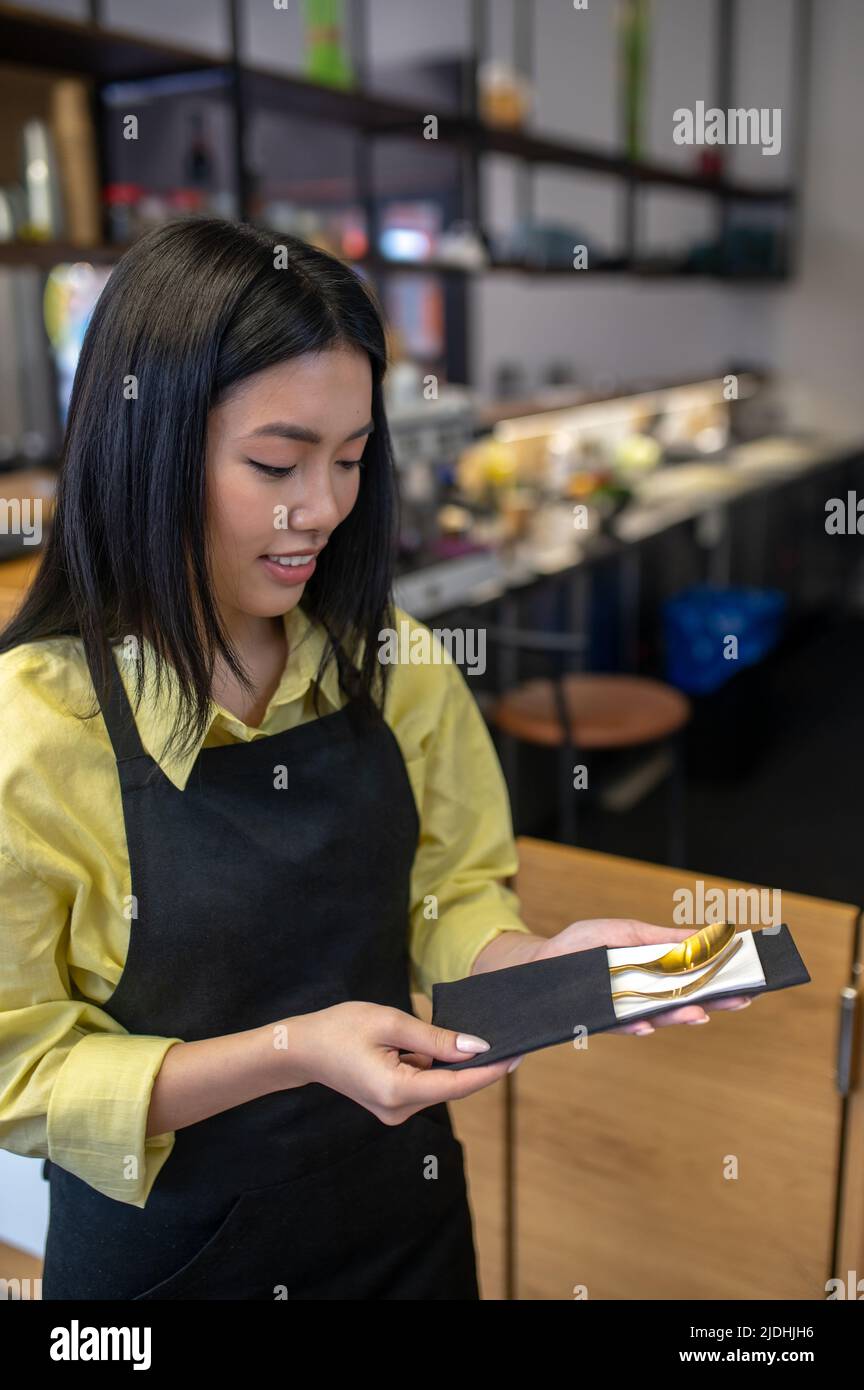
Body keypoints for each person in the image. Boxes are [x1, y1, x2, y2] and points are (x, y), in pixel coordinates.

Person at [0, 218, 753, 1301]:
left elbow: (448, 897)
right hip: (170, 1267)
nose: (322, 509)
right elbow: (19, 1067)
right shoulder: (35, 731)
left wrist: (536, 963)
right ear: (149, 443)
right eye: (276, 462)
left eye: (351, 459)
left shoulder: (388, 661)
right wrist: (294, 1048)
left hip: (404, 1221)